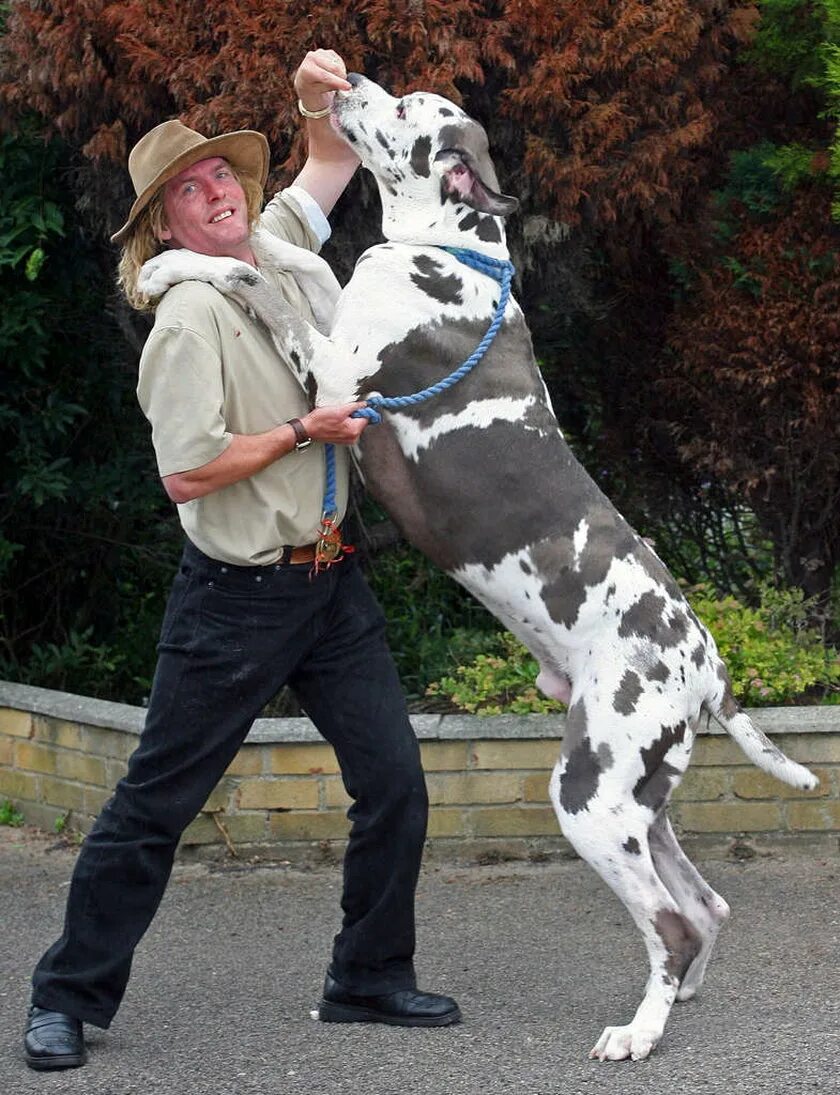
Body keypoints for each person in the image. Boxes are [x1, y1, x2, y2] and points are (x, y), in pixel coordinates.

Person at [23, 48, 460, 1073]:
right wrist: (309, 431)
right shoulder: (189, 316)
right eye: (189, 188)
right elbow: (190, 473)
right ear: (163, 224)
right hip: (236, 599)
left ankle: (367, 976)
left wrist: (323, 101)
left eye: (221, 174)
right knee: (154, 807)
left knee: (395, 784)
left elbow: (329, 165)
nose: (216, 191)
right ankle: (66, 998)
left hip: (330, 579)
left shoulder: (275, 257)